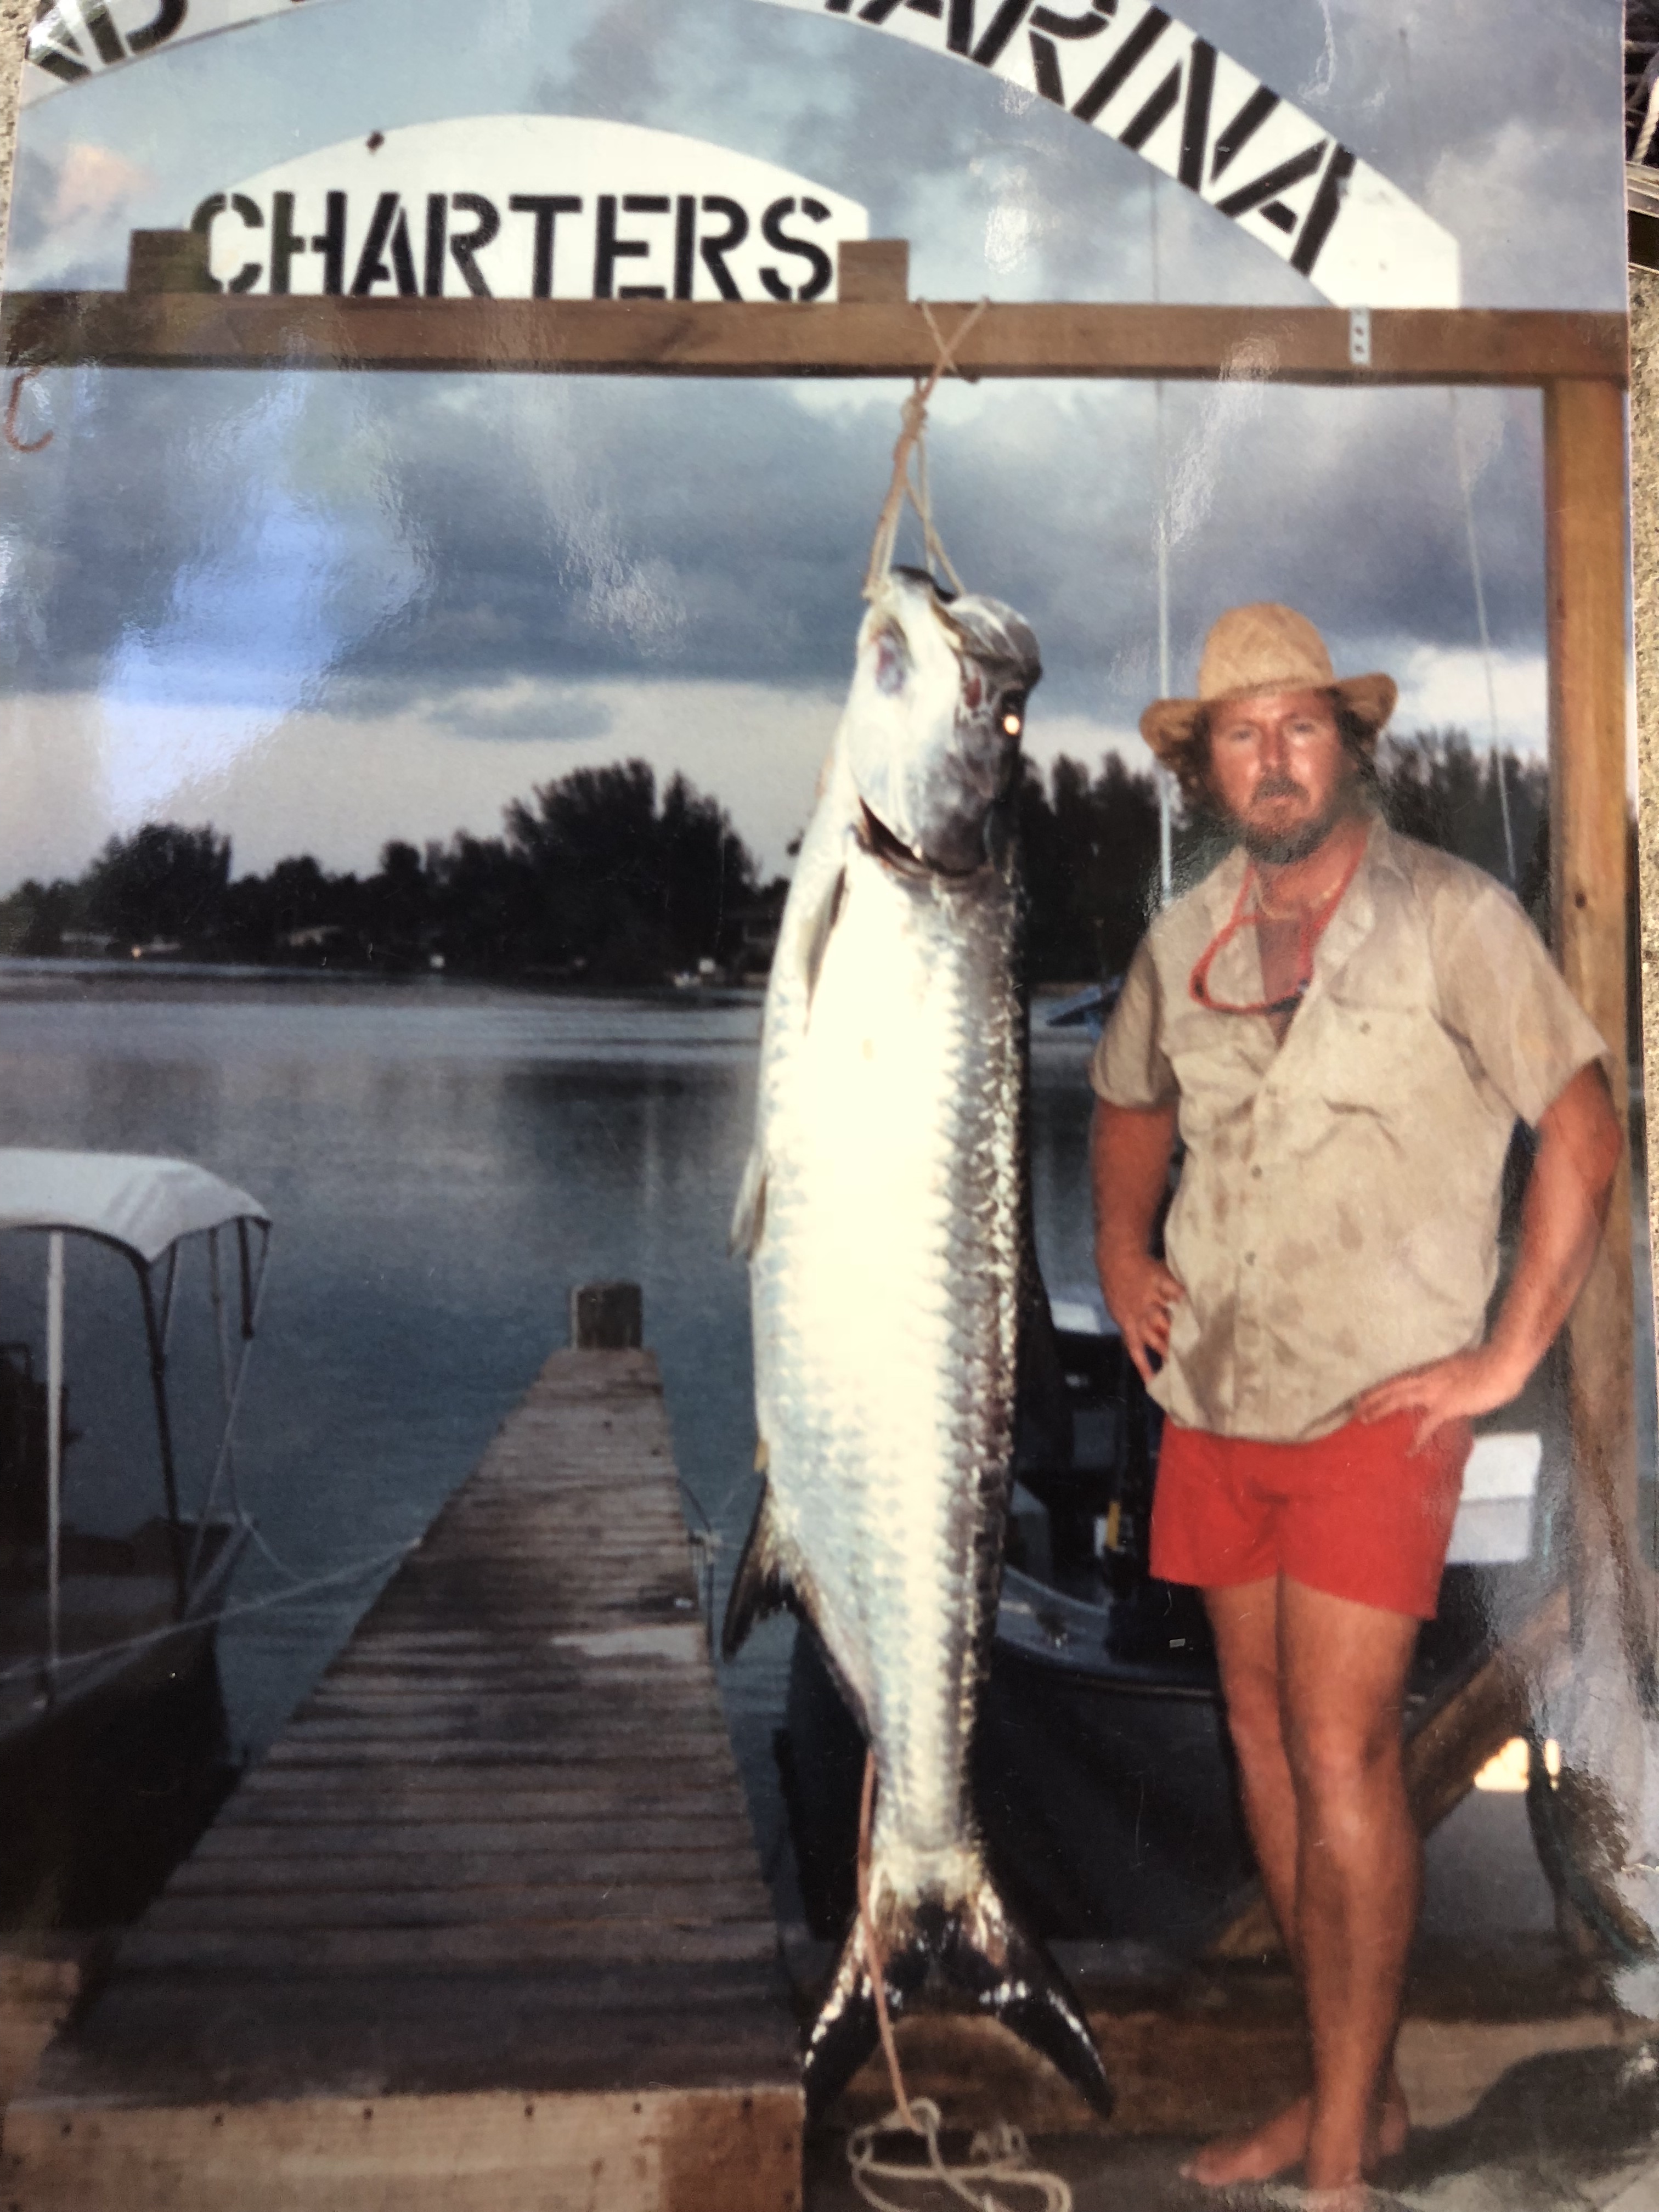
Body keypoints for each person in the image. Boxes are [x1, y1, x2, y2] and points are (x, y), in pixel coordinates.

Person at [1090, 603, 1622, 2198]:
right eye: (1241, 736)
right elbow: (1127, 1106)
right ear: (1205, 768)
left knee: (1342, 1756)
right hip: (1216, 1402)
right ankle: (1359, 2099)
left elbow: (1584, 1128)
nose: (1274, 760)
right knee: (1261, 1744)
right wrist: (1121, 1253)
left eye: (1301, 727)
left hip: (1378, 1419)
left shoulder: (1454, 918)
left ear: (1349, 745)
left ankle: (1338, 2160)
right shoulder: (1182, 939)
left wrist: (1507, 1357)